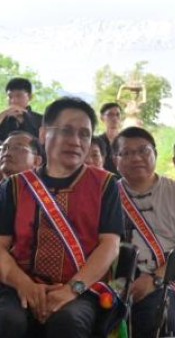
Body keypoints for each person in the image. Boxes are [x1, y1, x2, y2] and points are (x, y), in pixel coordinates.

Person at [0, 96, 123, 338]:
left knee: (67, 322)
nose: (76, 142)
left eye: (84, 134)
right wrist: (24, 285)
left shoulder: (105, 184)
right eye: (66, 131)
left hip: (81, 289)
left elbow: (110, 245)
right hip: (19, 287)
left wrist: (71, 289)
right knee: (8, 321)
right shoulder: (15, 186)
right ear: (44, 134)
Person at [114, 126, 175, 338]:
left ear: (155, 153)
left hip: (168, 276)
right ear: (115, 159)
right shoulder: (108, 194)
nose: (136, 158)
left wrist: (154, 280)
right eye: (126, 153)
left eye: (143, 150)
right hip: (119, 277)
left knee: (162, 315)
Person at [0, 78, 43, 144]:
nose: (13, 101)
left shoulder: (41, 120)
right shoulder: (3, 118)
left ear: (30, 97)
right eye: (10, 96)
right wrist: (4, 114)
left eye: (18, 96)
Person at [95, 102, 123, 174]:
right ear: (102, 118)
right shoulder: (97, 142)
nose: (114, 118)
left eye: (118, 115)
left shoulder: (125, 141)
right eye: (110, 115)